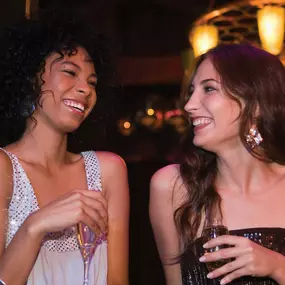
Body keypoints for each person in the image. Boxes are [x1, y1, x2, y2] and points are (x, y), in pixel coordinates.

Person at [0, 14, 129, 285]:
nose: (85, 89)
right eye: (70, 72)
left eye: (92, 82)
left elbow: (117, 280)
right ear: (30, 78)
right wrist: (35, 226)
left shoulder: (108, 171)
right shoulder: (4, 169)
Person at [149, 43, 285, 285]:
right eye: (191, 92)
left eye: (209, 89)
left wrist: (277, 266)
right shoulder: (173, 188)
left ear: (254, 105)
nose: (189, 105)